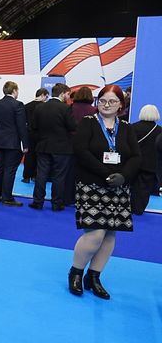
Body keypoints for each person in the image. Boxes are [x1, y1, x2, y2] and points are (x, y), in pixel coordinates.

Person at [68, 85, 140, 299]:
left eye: (112, 102)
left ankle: (94, 276)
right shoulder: (88, 123)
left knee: (110, 233)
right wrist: (106, 173)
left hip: (118, 188)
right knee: (95, 232)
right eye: (102, 101)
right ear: (97, 103)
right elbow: (80, 151)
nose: (106, 105)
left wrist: (123, 176)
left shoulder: (126, 128)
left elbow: (135, 156)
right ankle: (76, 272)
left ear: (121, 105)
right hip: (91, 185)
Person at [29, 83, 76, 211]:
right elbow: (72, 126)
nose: (68, 96)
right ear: (62, 93)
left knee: (41, 175)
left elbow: (33, 128)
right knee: (59, 176)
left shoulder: (40, 108)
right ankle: (57, 204)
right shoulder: (65, 108)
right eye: (67, 94)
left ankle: (37, 202)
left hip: (43, 146)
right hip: (62, 148)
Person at [0, 81, 29, 206]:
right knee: (10, 170)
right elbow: (22, 127)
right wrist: (25, 144)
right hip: (12, 143)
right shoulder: (18, 105)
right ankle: (7, 198)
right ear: (14, 91)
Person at [64, 86, 99, 206]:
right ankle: (84, 198)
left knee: (69, 172)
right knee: (85, 172)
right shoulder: (94, 110)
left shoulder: (70, 108)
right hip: (87, 145)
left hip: (70, 143)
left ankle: (67, 197)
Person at [130, 105, 162, 214]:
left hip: (133, 163)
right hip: (151, 164)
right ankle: (138, 209)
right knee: (145, 189)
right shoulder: (160, 130)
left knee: (130, 185)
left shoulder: (133, 127)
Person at [22, 88, 49, 183]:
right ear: (42, 95)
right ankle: (35, 175)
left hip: (29, 134)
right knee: (40, 156)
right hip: (41, 134)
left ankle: (26, 176)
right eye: (46, 96)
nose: (46, 98)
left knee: (29, 155)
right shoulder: (45, 107)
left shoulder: (26, 106)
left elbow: (23, 122)